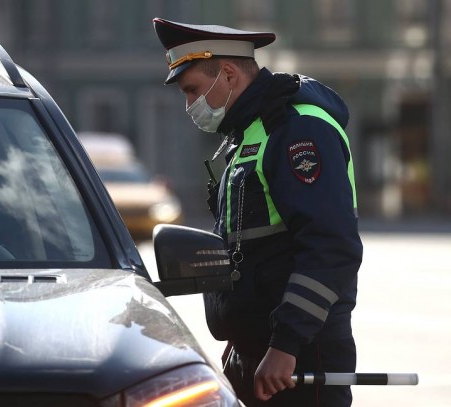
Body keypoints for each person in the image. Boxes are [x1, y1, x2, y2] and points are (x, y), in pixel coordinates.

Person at [153, 18, 363, 406]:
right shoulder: (248, 132)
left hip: (297, 362)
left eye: (192, 91)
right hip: (259, 355)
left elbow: (331, 248)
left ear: (228, 74)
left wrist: (285, 345)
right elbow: (249, 250)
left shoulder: (297, 131)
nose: (189, 106)